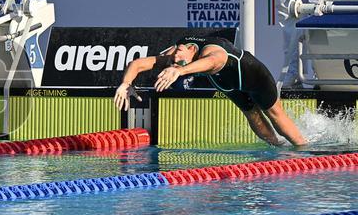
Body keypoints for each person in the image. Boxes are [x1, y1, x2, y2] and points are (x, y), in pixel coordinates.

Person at [113, 35, 306, 147]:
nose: (176, 64)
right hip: (227, 84)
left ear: (191, 49)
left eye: (180, 63)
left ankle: (301, 147)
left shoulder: (210, 50)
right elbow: (138, 64)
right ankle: (277, 148)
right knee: (251, 114)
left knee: (274, 113)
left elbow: (214, 62)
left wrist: (179, 71)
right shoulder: (177, 54)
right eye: (175, 63)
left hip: (252, 74)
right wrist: (125, 83)